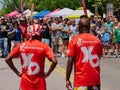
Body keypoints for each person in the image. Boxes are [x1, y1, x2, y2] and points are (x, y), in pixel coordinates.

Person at [66, 15, 102, 90]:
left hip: (81, 81)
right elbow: (99, 57)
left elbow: (70, 61)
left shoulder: (74, 41)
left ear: (79, 28)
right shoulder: (97, 41)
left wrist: (67, 79)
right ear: (89, 27)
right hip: (95, 81)